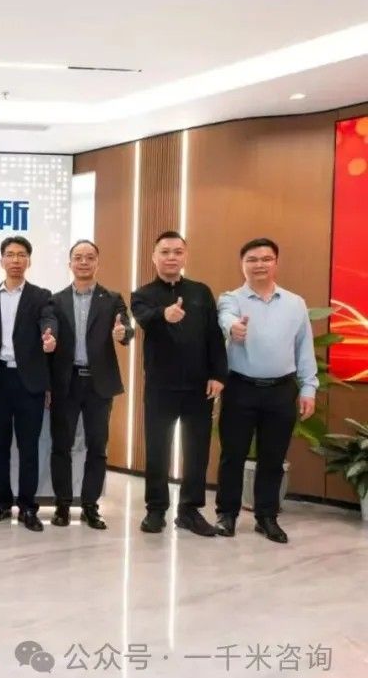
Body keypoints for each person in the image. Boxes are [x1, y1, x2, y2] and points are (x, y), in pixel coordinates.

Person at [214, 238, 317, 543]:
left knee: (273, 457)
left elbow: (304, 348)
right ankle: (227, 514)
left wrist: (309, 388)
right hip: (240, 388)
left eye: (266, 259)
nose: (259, 264)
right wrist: (234, 327)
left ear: (276, 263)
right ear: (242, 265)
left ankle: (266, 517)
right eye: (252, 259)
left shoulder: (295, 303)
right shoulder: (231, 299)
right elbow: (226, 317)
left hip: (281, 391)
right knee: (232, 455)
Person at [131, 231, 227, 536]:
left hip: (199, 387)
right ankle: (156, 509)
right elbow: (144, 317)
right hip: (160, 387)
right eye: (165, 252)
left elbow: (214, 335)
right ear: (154, 257)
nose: (171, 257)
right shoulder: (142, 294)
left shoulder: (201, 292)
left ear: (185, 256)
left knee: (196, 450)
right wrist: (165, 314)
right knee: (157, 449)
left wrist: (218, 374)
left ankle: (189, 510)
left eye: (177, 251)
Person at [48, 240, 134, 531]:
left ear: (98, 262)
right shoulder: (56, 300)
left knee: (97, 447)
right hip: (66, 381)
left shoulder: (111, 298)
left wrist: (123, 333)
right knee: (62, 445)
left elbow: (126, 328)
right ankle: (62, 505)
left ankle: (90, 506)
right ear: (70, 263)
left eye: (89, 257)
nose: (83, 262)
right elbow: (50, 331)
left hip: (99, 383)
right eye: (78, 257)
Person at [0, 236, 57, 533]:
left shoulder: (41, 295)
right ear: (1, 260)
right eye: (10, 254)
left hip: (29, 382)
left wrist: (49, 335)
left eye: (21, 255)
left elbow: (49, 320)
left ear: (29, 261)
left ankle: (27, 507)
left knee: (28, 447)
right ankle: (1, 503)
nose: (15, 260)